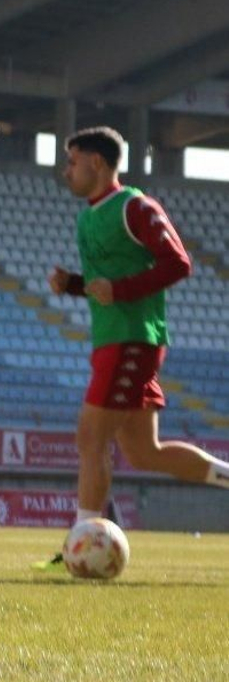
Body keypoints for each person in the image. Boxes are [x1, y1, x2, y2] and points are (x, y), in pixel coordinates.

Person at [36, 126, 228, 570]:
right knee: (145, 453)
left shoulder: (136, 207)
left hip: (133, 338)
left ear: (97, 164)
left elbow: (178, 262)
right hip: (112, 338)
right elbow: (108, 286)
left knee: (90, 435)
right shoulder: (88, 215)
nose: (67, 171)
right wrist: (75, 285)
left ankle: (81, 542)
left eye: (72, 162)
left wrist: (117, 290)